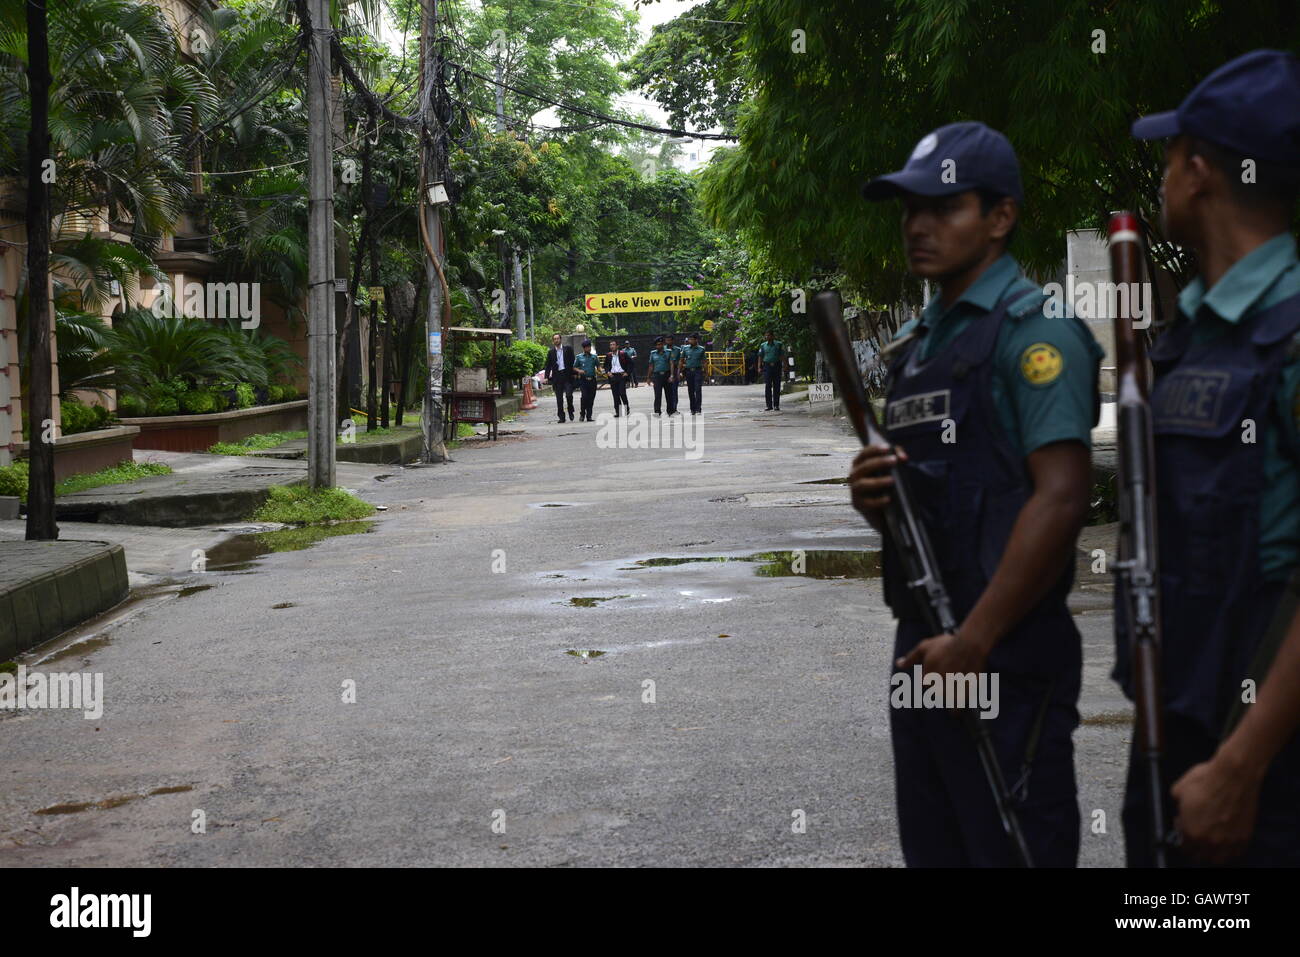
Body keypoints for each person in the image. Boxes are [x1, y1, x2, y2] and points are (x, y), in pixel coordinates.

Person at [850, 120, 1103, 867]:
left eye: (943, 206)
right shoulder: (920, 347)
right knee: (937, 847)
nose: (918, 225)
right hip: (924, 645)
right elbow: (936, 495)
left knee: (1012, 846)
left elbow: (1060, 498)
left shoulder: (1037, 334)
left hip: (1003, 648)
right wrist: (874, 496)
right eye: (908, 210)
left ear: (1000, 217)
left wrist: (976, 641)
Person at [1117, 49, 1300, 867]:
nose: (1159, 180)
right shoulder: (1188, 339)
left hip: (1264, 769)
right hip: (1177, 738)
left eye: (1166, 158)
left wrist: (1241, 763)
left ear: (1197, 172)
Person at [543, 332, 576, 423]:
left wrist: (575, 373)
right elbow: (548, 366)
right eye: (554, 339)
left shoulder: (568, 349)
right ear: (553, 341)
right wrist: (546, 377)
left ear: (561, 340)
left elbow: (573, 362)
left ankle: (570, 409)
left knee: (569, 395)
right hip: (557, 378)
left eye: (558, 338)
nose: (556, 340)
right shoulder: (551, 352)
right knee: (559, 399)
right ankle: (561, 417)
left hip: (567, 376)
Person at [573, 338, 600, 422]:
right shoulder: (579, 357)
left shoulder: (594, 357)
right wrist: (579, 371)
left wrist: (600, 370)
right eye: (587, 347)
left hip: (592, 380)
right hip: (583, 380)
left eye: (590, 347)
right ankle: (582, 414)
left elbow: (598, 366)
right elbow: (574, 367)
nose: (589, 348)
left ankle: (589, 416)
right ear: (584, 348)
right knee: (584, 397)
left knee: (591, 398)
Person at [604, 339, 632, 417]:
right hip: (613, 376)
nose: (612, 346)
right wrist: (608, 372)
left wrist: (627, 373)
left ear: (617, 346)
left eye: (613, 345)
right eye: (611, 345)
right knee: (615, 395)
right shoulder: (609, 355)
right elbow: (606, 365)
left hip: (621, 376)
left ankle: (627, 408)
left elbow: (631, 364)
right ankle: (618, 412)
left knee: (622, 393)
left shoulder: (623, 354)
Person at [757, 330, 784, 410]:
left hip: (777, 366)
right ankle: (769, 405)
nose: (767, 337)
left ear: (772, 336)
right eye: (766, 336)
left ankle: (776, 405)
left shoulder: (778, 344)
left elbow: (782, 355)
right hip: (767, 366)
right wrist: (759, 367)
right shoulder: (763, 345)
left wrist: (785, 365)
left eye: (768, 335)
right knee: (768, 385)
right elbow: (760, 356)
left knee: (777, 385)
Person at [681, 332, 707, 414]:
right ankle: (692, 409)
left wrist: (706, 373)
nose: (690, 341)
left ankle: (698, 408)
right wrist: (680, 371)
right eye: (689, 339)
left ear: (696, 340)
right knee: (690, 390)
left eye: (692, 339)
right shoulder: (685, 349)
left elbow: (704, 362)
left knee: (698, 389)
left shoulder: (701, 349)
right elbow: (681, 360)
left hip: (698, 371)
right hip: (688, 371)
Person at [647, 336, 673, 416]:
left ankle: (670, 411)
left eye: (661, 344)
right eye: (658, 345)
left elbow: (671, 364)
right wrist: (648, 377)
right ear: (655, 346)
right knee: (658, 394)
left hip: (667, 374)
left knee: (669, 394)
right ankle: (657, 411)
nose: (659, 346)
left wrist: (671, 375)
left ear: (663, 344)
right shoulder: (653, 353)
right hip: (657, 376)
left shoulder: (668, 352)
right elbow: (651, 366)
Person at [663, 333, 682, 415]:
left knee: (674, 391)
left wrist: (679, 372)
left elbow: (679, 362)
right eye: (667, 340)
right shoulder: (663, 349)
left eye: (669, 340)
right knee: (667, 391)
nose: (668, 341)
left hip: (674, 371)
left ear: (673, 341)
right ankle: (669, 409)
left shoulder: (677, 349)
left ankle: (674, 408)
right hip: (666, 371)